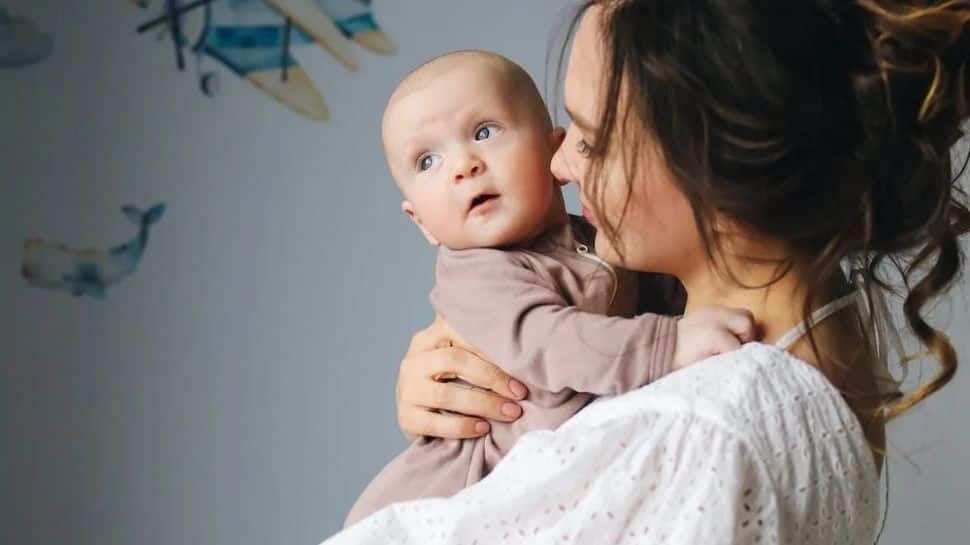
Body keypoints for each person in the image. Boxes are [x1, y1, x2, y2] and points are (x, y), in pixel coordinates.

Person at [327, 0, 970, 543]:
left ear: (710, 169)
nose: (560, 167)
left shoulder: (698, 432)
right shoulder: (824, 327)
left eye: (591, 138)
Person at [343, 49, 757, 528]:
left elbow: (667, 296)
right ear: (422, 223)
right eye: (428, 160)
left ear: (554, 152)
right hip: (450, 502)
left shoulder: (598, 239)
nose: (463, 165)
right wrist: (671, 343)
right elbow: (555, 343)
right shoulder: (477, 274)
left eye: (484, 132)